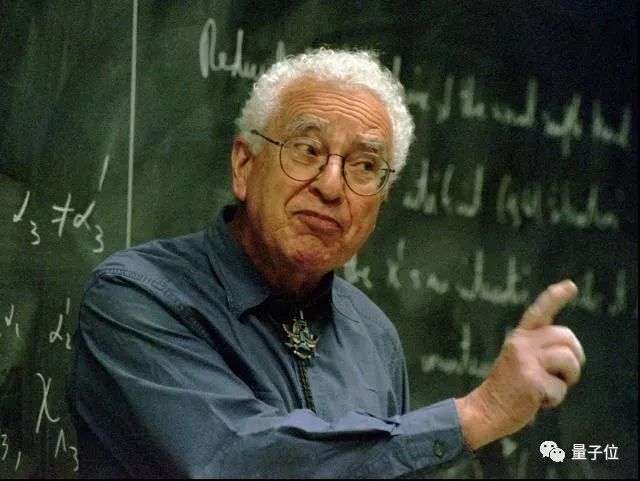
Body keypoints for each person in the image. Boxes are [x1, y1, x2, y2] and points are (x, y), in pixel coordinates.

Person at [67, 48, 585, 478]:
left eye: (365, 166)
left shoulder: (373, 337)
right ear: (244, 165)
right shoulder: (138, 296)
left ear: (381, 199)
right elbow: (237, 461)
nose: (332, 186)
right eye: (307, 150)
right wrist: (478, 414)